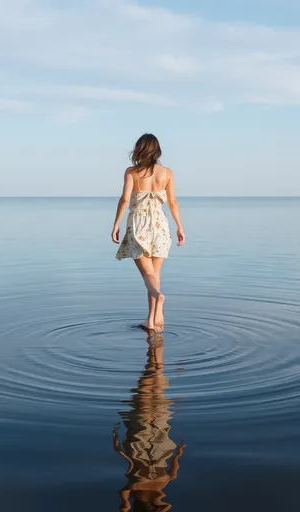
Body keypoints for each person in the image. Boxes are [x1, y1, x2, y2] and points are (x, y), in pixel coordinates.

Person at [112, 134, 185, 332]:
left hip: (139, 225)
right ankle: (152, 320)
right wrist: (179, 227)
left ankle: (159, 297)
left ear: (139, 149)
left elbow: (125, 200)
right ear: (157, 150)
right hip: (160, 224)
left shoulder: (132, 172)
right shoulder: (167, 173)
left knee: (147, 274)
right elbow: (173, 202)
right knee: (154, 274)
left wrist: (116, 224)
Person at [113, 333, 186, 511]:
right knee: (149, 389)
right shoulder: (143, 488)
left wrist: (179, 452)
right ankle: (153, 345)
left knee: (152, 388)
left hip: (151, 440)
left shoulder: (154, 488)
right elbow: (123, 499)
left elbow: (174, 474)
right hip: (150, 440)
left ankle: (153, 345)